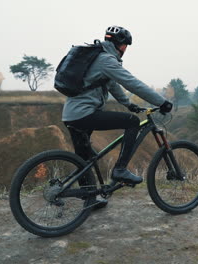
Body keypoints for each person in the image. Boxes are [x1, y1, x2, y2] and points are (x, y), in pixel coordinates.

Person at [62, 26, 173, 190]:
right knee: (132, 122)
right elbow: (131, 83)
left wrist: (129, 104)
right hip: (84, 115)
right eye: (125, 45)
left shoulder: (98, 57)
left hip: (70, 115)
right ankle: (120, 169)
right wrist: (161, 102)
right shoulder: (106, 60)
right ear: (120, 44)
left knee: (85, 160)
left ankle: (89, 197)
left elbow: (112, 85)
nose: (125, 49)